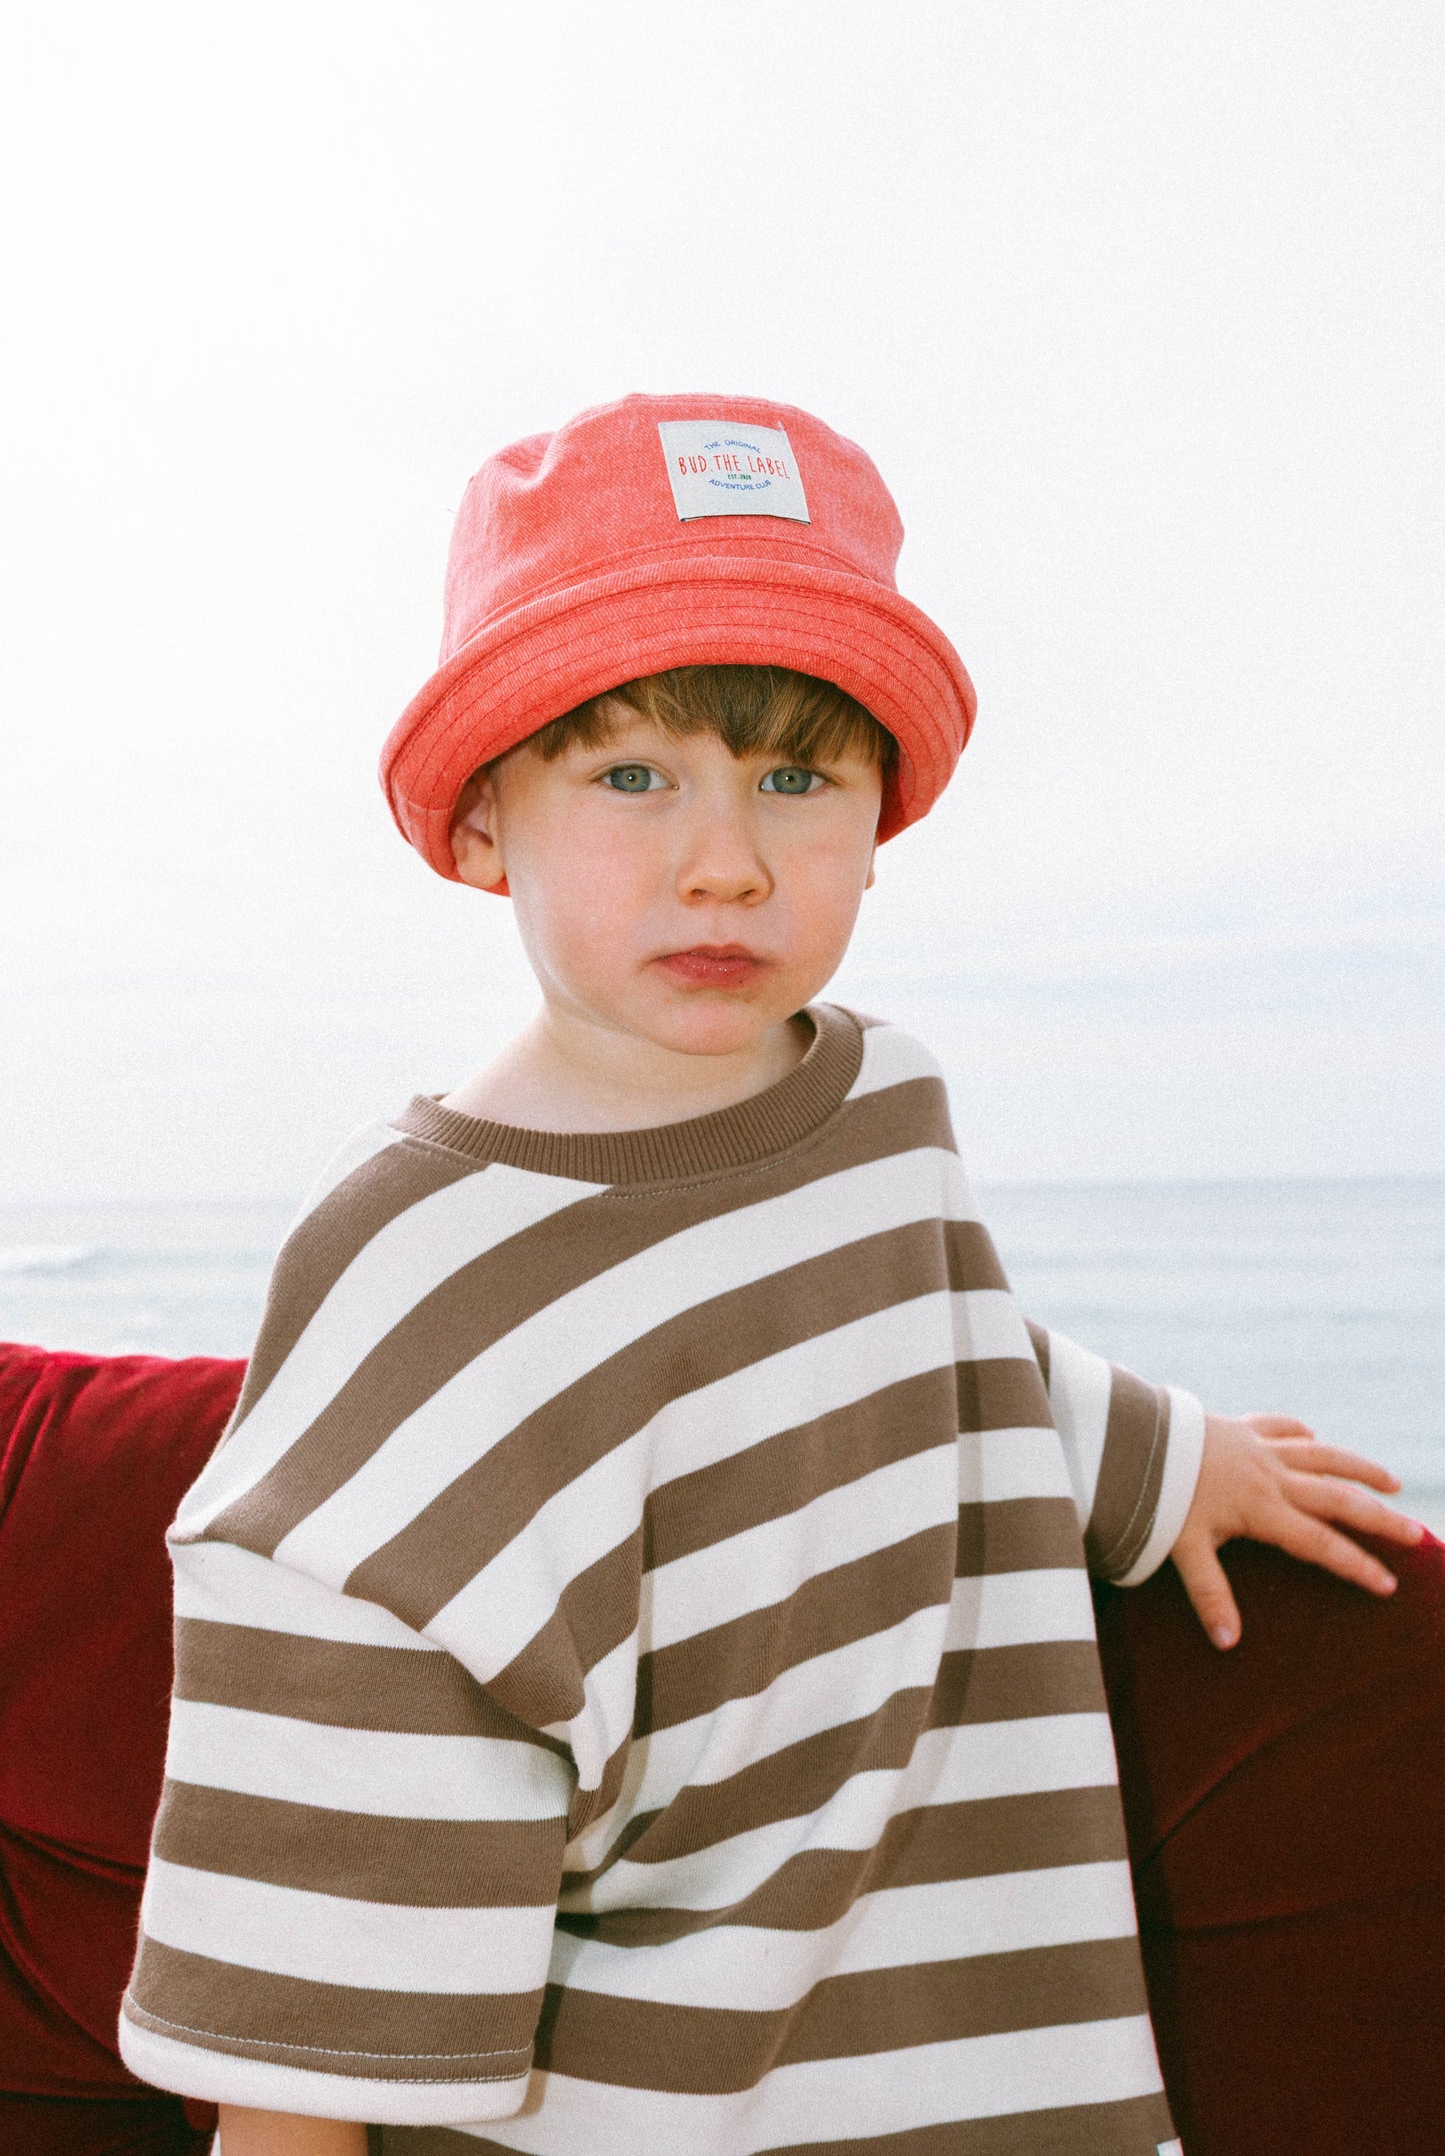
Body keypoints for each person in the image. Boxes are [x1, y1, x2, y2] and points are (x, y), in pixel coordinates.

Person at [118, 395, 1420, 2155]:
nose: (724, 858)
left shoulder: (874, 1098)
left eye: (795, 776)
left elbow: (920, 1340)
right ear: (486, 818)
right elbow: (331, 1782)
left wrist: (1173, 1458)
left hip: (1007, 2085)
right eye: (630, 773)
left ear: (881, 817)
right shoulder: (420, 1272)